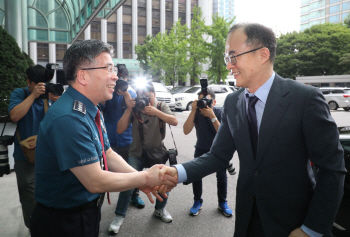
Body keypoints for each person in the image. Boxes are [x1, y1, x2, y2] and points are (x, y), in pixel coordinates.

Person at [159, 23, 346, 237]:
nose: (229, 66)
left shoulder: (305, 99)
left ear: (263, 54)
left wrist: (311, 229)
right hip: (247, 222)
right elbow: (218, 156)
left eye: (233, 56)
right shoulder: (232, 102)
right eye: (227, 58)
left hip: (294, 224)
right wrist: (177, 172)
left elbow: (332, 169)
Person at [29, 40, 176, 237]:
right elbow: (95, 180)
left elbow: (107, 153)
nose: (115, 76)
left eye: (114, 69)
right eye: (108, 68)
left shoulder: (89, 108)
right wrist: (145, 177)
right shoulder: (69, 118)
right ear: (83, 76)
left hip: (84, 212)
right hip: (64, 222)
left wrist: (139, 180)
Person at [109, 81, 178, 234]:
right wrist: (129, 109)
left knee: (164, 182)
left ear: (154, 95)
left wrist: (156, 112)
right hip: (137, 153)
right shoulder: (135, 108)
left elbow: (174, 121)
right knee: (127, 183)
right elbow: (119, 130)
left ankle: (160, 210)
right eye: (143, 97)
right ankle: (119, 215)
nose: (145, 101)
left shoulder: (160, 106)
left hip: (157, 151)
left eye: (149, 97)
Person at [8, 64, 59, 230]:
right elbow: (15, 115)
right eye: (36, 84)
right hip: (25, 158)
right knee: (30, 201)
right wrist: (33, 96)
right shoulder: (20, 93)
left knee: (51, 197)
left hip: (48, 157)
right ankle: (35, 230)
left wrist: (57, 102)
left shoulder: (49, 95)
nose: (40, 87)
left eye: (42, 83)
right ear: (28, 82)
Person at [100, 68, 145, 209]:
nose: (120, 84)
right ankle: (100, 196)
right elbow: (100, 106)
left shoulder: (131, 93)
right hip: (109, 138)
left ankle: (134, 196)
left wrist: (125, 94)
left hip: (126, 138)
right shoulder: (108, 93)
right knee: (105, 170)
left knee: (131, 170)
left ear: (126, 80)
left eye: (123, 82)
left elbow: (133, 109)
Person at [183, 88, 232, 217]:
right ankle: (197, 201)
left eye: (207, 101)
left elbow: (224, 134)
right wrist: (193, 111)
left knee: (221, 177)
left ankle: (222, 202)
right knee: (196, 176)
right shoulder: (197, 113)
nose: (203, 104)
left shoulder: (220, 112)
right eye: (201, 101)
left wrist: (212, 117)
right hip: (201, 148)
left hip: (218, 150)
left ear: (214, 102)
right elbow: (186, 130)